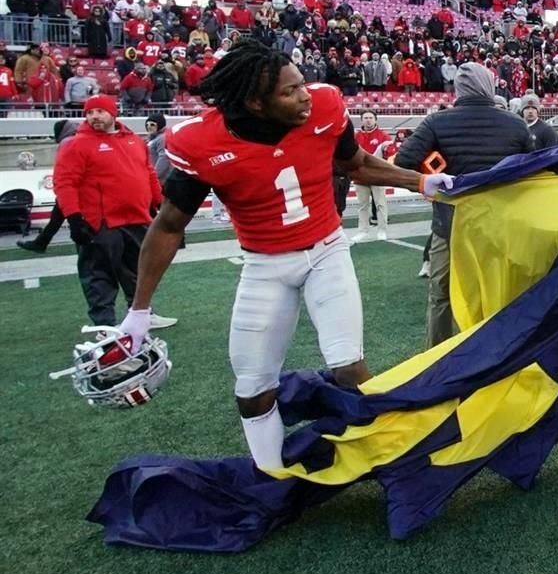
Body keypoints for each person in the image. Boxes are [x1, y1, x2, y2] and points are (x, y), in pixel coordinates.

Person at [118, 39, 453, 471]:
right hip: (264, 265)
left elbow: (356, 165)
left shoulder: (327, 106)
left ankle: (395, 456)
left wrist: (419, 182)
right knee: (253, 386)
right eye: (290, 91)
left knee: (348, 366)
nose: (305, 95)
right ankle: (271, 477)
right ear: (256, 103)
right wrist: (139, 309)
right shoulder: (201, 142)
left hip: (327, 251)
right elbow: (168, 225)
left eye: (302, 83)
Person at [395, 62, 533, 348]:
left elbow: (403, 161)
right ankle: (494, 354)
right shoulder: (516, 124)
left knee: (441, 296)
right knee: (496, 292)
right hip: (499, 225)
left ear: (458, 88)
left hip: (450, 223)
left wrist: (434, 173)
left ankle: (437, 360)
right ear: (490, 86)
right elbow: (534, 173)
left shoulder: (437, 122)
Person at [52, 95, 178, 331]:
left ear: (113, 113)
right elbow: (65, 182)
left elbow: (148, 173)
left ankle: (142, 314)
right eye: (90, 112)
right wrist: (74, 217)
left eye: (100, 111)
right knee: (99, 276)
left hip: (137, 217)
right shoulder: (75, 144)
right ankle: (104, 326)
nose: (94, 116)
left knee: (139, 271)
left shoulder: (134, 140)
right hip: (100, 222)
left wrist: (161, 205)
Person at [17, 119, 76, 253]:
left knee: (65, 215)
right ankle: (42, 241)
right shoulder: (76, 140)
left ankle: (42, 242)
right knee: (59, 215)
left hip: (73, 187)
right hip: (73, 187)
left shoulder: (69, 143)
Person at [352, 110, 392, 242]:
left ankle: (382, 230)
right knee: (362, 205)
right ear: (361, 120)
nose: (368, 120)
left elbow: (389, 155)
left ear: (375, 120)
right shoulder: (355, 136)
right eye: (365, 118)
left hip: (377, 175)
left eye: (370, 118)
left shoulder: (384, 136)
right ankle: (363, 231)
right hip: (360, 176)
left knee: (380, 204)